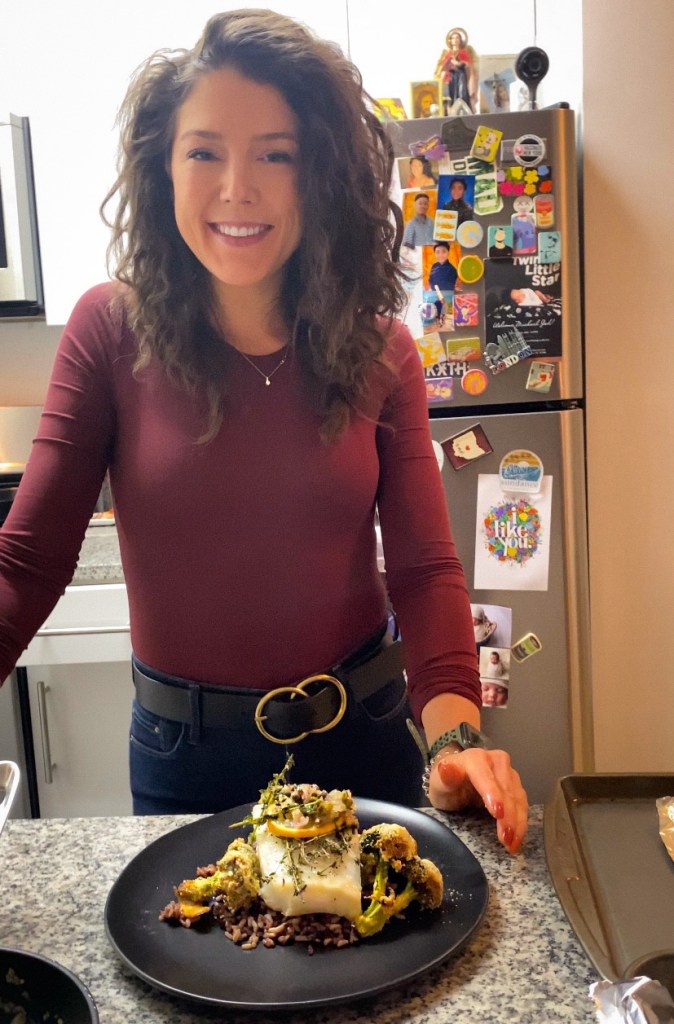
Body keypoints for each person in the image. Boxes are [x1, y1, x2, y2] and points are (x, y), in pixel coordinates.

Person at [0, 10, 526, 853]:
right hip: (187, 763)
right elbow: (25, 564)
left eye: (275, 154)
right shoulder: (108, 331)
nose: (237, 187)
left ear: (316, 174)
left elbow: (425, 572)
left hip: (366, 740)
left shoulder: (381, 350)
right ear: (162, 168)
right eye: (204, 151)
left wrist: (458, 741)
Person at [435, 29, 476, 114]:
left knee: (462, 95)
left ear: (460, 40)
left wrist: (459, 63)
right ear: (450, 41)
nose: (455, 40)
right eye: (453, 38)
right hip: (451, 79)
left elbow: (469, 66)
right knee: (451, 96)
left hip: (461, 76)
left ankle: (463, 110)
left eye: (457, 38)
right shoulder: (448, 54)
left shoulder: (463, 52)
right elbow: (442, 68)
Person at [428, 241, 458, 321]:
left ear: (448, 253)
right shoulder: (434, 266)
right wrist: (434, 288)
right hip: (435, 294)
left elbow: (451, 285)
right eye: (438, 252)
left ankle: (444, 318)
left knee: (446, 312)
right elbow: (431, 280)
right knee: (436, 310)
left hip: (446, 295)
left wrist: (441, 293)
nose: (440, 255)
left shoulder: (452, 269)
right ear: (435, 254)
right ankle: (438, 318)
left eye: (444, 251)